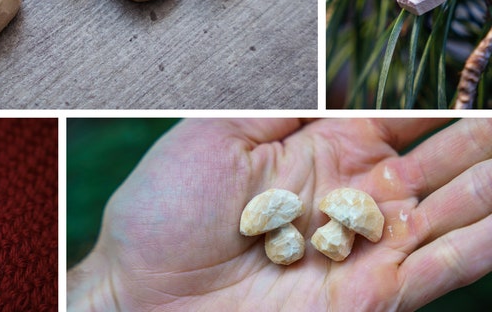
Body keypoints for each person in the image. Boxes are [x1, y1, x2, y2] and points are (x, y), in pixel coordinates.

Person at [67, 118, 492, 311]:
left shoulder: (321, 222)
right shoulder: (284, 222)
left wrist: (113, 294)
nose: (323, 236)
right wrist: (116, 292)